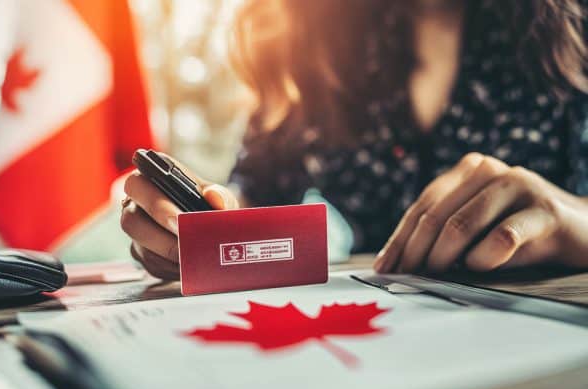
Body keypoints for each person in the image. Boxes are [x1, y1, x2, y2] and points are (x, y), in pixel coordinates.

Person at [121, 0, 588, 280]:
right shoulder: (301, 32)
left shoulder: (576, 24)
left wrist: (573, 225)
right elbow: (255, 201)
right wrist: (194, 229)